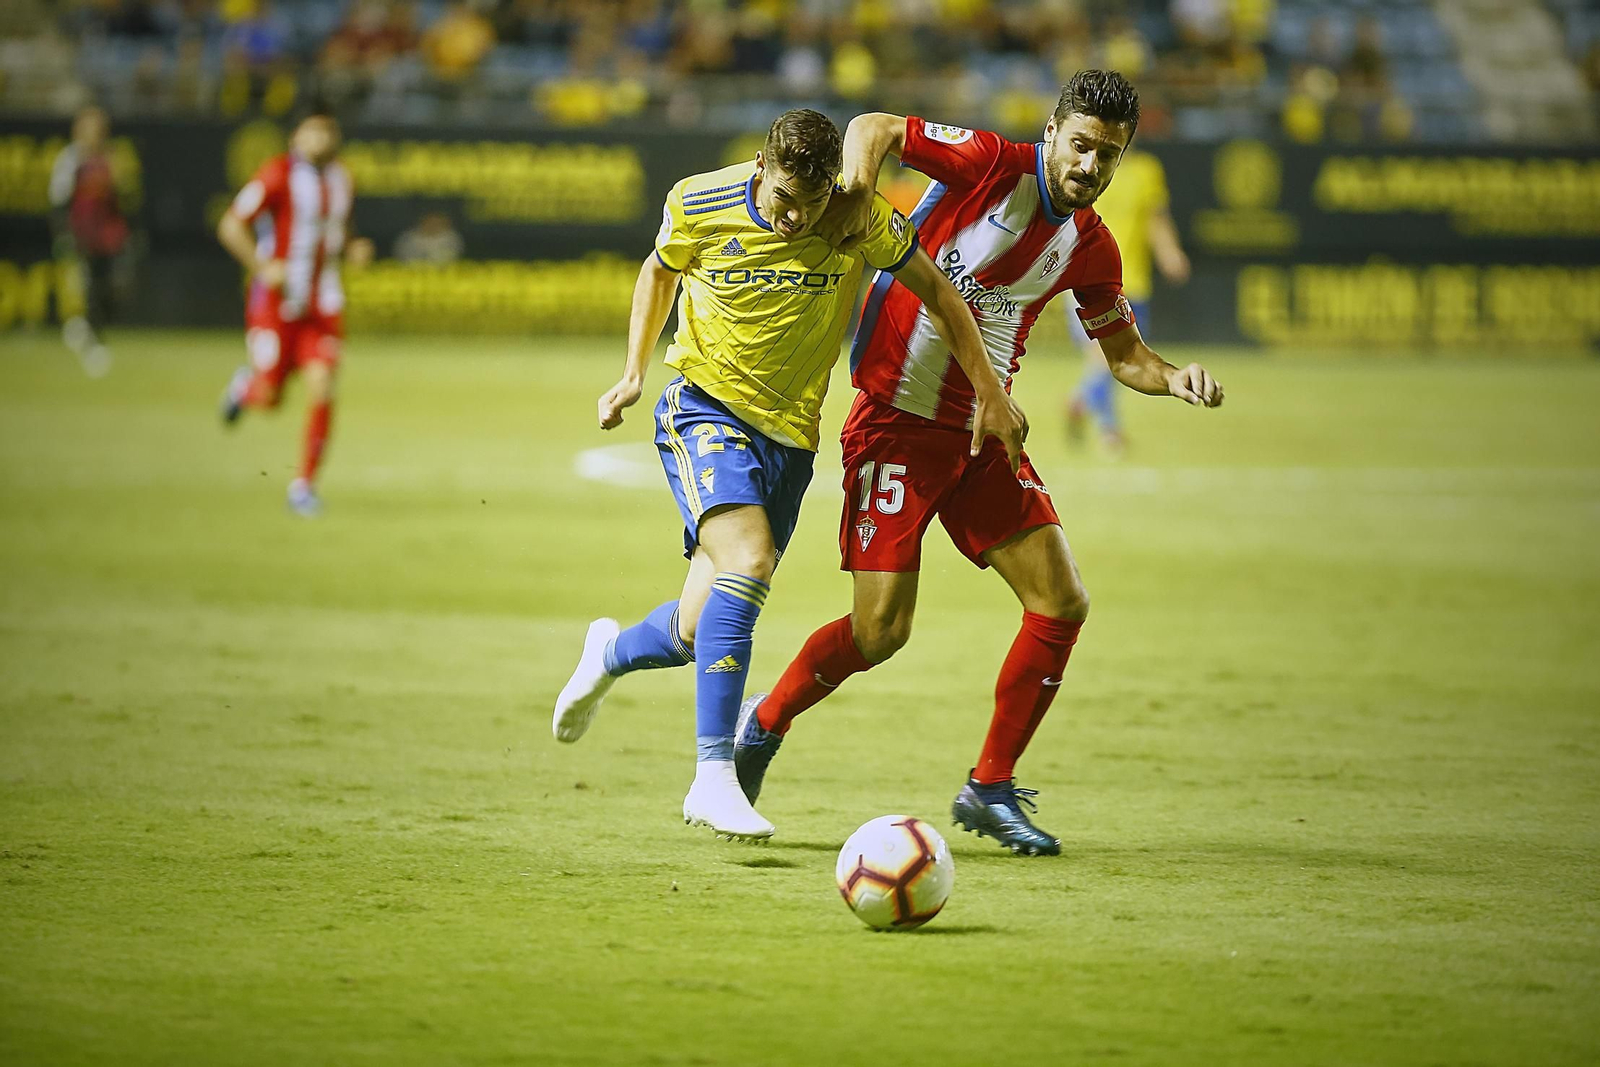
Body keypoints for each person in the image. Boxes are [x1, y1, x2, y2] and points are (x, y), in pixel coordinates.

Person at [734, 71, 1224, 856]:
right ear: (1054, 130)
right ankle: (762, 722)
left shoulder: (1090, 246)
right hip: (895, 423)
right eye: (1082, 144)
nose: (1091, 165)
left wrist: (1176, 378)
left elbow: (1126, 355)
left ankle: (989, 786)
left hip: (987, 433)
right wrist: (859, 193)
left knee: (1062, 600)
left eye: (1109, 154)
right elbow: (872, 123)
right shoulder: (993, 163)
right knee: (880, 632)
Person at [550, 108, 1024, 842]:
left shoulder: (857, 218)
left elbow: (940, 294)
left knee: (693, 629)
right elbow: (659, 269)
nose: (793, 219)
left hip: (790, 439)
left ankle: (607, 652)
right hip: (704, 405)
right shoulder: (699, 200)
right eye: (780, 201)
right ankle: (714, 775)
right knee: (749, 560)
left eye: (809, 204)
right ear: (761, 168)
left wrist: (990, 388)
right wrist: (633, 372)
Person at [215, 108, 373, 516]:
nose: (320, 138)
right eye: (312, 131)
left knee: (323, 385)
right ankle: (243, 389)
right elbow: (231, 226)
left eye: (327, 130)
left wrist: (353, 249)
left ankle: (303, 486)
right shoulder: (276, 174)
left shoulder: (343, 180)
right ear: (296, 137)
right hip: (275, 307)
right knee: (269, 399)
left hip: (321, 305)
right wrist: (263, 267)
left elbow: (339, 235)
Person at [1064, 145, 1189, 454]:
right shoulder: (1085, 168)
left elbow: (1155, 219)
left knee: (1116, 360)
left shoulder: (1147, 170)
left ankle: (1082, 400)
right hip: (1086, 280)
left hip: (1133, 283)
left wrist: (1169, 252)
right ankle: (1109, 430)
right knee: (1104, 359)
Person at [49, 105, 129, 378]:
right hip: (83, 235)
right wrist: (64, 235)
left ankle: (82, 327)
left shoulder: (109, 158)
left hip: (108, 235)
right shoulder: (70, 159)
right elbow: (59, 199)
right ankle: (93, 340)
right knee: (90, 287)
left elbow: (119, 198)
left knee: (114, 286)